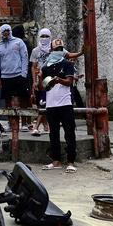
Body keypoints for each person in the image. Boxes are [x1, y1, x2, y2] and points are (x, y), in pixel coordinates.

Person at [40, 40, 77, 173]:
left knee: (69, 133)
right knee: (53, 133)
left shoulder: (67, 64)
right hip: (51, 104)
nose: (58, 52)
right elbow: (43, 86)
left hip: (65, 103)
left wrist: (58, 80)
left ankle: (71, 161)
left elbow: (69, 82)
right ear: (51, 50)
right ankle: (56, 160)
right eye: (55, 49)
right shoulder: (45, 67)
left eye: (60, 49)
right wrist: (39, 80)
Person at [0, 24, 29, 114]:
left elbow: (24, 58)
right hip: (5, 77)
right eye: (4, 32)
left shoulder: (19, 42)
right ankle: (11, 123)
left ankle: (25, 123)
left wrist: (24, 74)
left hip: (19, 75)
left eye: (8, 31)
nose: (6, 34)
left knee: (23, 99)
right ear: (1, 33)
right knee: (8, 101)